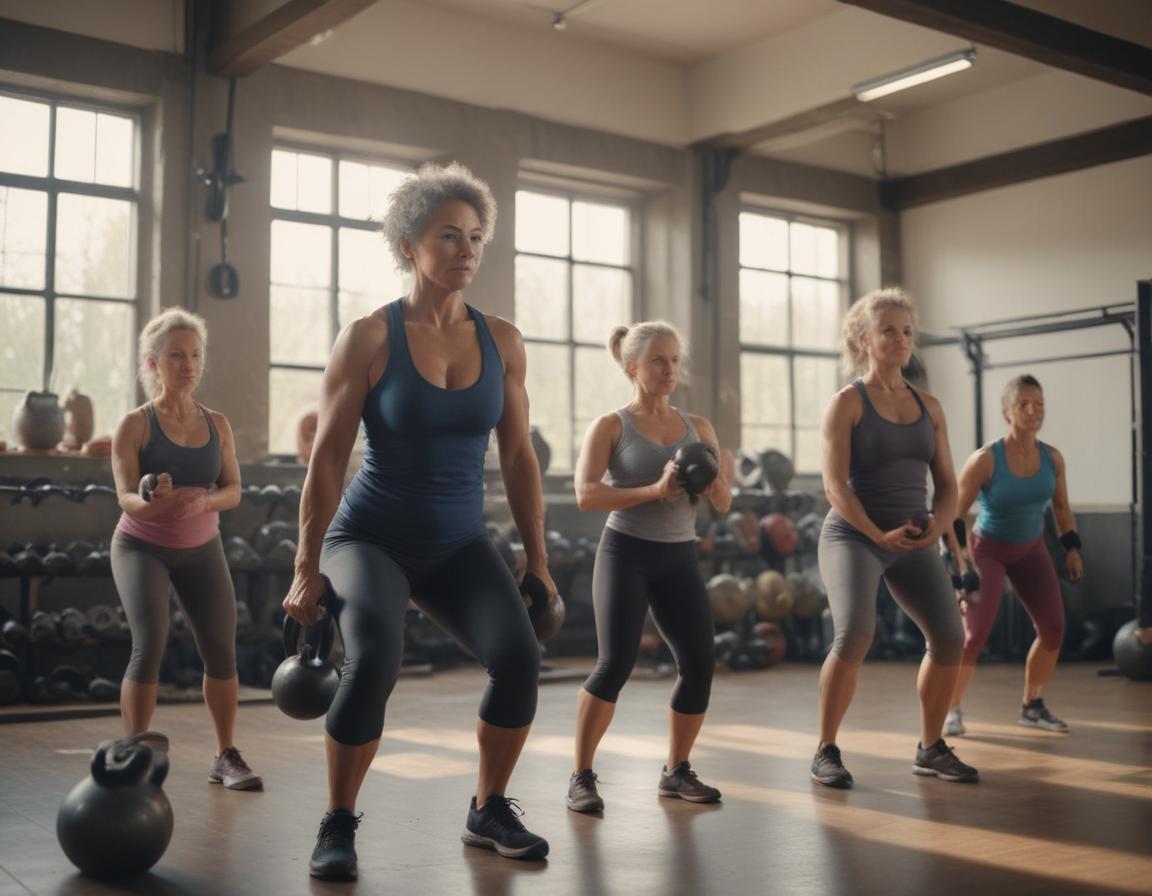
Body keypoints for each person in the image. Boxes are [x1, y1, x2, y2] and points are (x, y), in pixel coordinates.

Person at [283, 162, 556, 882]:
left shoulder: (503, 340)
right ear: (410, 243)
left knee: (520, 659)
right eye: (448, 235)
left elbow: (520, 455)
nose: (467, 249)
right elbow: (329, 462)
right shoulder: (369, 338)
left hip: (459, 542)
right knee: (373, 658)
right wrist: (306, 567)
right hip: (369, 538)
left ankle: (488, 808)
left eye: (476, 237)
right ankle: (338, 821)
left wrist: (540, 560)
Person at [813, 288, 977, 788]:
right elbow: (834, 487)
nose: (901, 339)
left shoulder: (930, 406)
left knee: (950, 637)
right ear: (864, 338)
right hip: (854, 535)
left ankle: (931, 748)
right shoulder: (846, 404)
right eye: (889, 330)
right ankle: (826, 749)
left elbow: (948, 485)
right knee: (856, 634)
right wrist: (874, 532)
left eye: (907, 331)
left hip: (913, 536)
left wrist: (939, 525)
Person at [567, 321, 732, 813]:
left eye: (676, 360)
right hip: (626, 553)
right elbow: (585, 495)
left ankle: (677, 770)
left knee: (699, 664)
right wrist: (653, 491)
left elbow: (723, 502)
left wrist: (716, 479)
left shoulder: (698, 426)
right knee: (614, 663)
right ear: (632, 366)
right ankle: (581, 774)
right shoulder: (612, 425)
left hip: (678, 556)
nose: (670, 370)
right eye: (659, 360)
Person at [110, 308, 261, 791]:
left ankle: (225, 754)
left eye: (195, 355)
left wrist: (203, 500)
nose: (188, 364)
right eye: (176, 355)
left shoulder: (217, 423)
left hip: (201, 546)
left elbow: (233, 489)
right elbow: (127, 498)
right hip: (141, 546)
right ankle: (134, 753)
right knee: (149, 642)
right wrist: (152, 499)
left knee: (220, 648)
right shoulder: (134, 425)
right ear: (154, 363)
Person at [943, 374, 1080, 736]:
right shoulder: (985, 460)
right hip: (987, 550)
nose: (1033, 410)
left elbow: (1062, 508)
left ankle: (1032, 706)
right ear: (1007, 412)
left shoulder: (1052, 458)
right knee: (972, 637)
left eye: (1039, 404)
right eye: (1024, 404)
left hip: (1031, 549)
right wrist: (961, 568)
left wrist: (1071, 548)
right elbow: (953, 515)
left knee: (1053, 630)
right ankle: (950, 709)